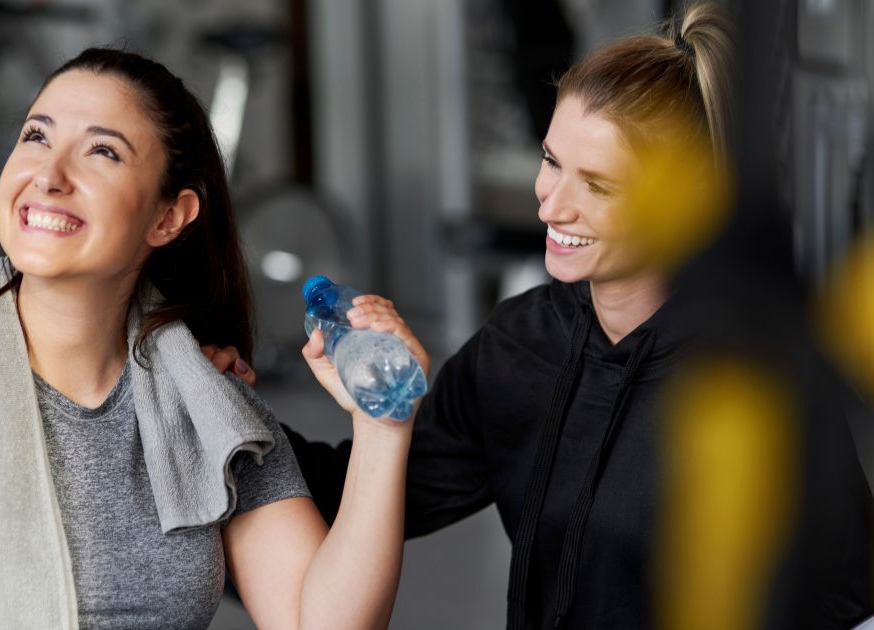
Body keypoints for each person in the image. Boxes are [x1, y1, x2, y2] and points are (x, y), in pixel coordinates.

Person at [206, 4, 873, 628]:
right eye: (552, 162)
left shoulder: (754, 385)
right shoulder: (521, 344)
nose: (552, 207)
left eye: (599, 185)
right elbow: (360, 497)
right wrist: (218, 401)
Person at [0, 47, 427, 629]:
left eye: (101, 150)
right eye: (36, 136)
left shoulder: (210, 408)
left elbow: (321, 621)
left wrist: (382, 428)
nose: (49, 173)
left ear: (170, 216)